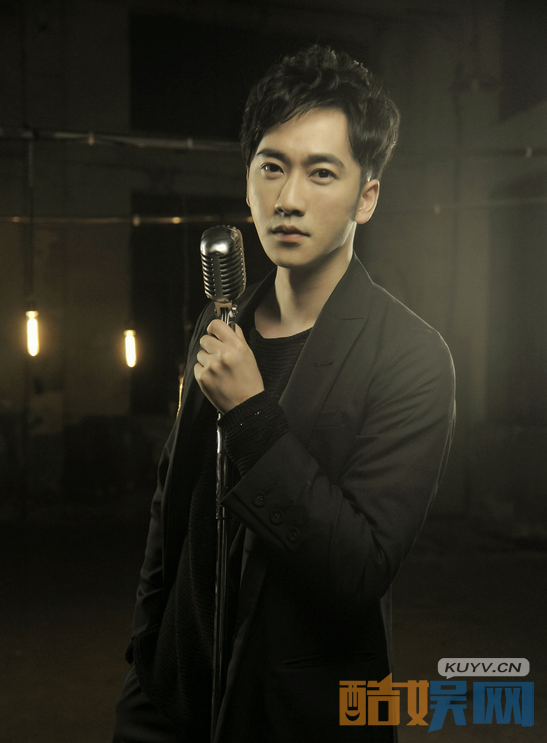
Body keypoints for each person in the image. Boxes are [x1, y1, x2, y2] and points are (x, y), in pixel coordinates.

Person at [113, 45, 456, 743]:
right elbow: (171, 505)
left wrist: (251, 414)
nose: (288, 199)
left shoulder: (412, 357)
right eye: (271, 167)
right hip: (170, 699)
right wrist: (147, 652)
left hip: (297, 716)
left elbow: (359, 568)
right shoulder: (221, 323)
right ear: (247, 182)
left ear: (366, 197)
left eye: (320, 172)